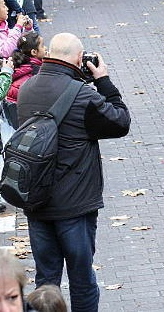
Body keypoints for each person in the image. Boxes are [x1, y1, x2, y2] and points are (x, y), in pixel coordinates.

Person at [17, 32, 130, 312]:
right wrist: (102, 80)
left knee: (46, 282)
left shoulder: (28, 88)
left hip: (36, 201)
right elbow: (120, 121)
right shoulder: (82, 95)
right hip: (74, 206)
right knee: (81, 279)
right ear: (80, 59)